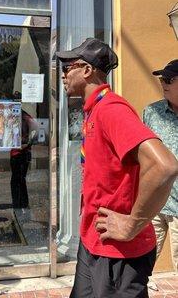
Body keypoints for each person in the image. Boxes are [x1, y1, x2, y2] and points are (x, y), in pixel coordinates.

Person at [56, 38, 178, 298]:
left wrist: (132, 224)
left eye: (67, 67)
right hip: (93, 242)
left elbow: (164, 166)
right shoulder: (94, 109)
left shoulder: (111, 109)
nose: (63, 74)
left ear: (87, 70)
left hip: (118, 253)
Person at [143, 59, 178, 285]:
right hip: (153, 205)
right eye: (161, 79)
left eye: (169, 79)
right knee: (139, 266)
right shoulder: (152, 113)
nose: (162, 83)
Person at [10, 92, 38, 209]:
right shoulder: (10, 116)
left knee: (21, 179)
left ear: (20, 101)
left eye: (18, 100)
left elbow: (37, 128)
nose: (16, 102)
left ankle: (23, 204)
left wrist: (27, 144)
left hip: (23, 152)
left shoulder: (24, 116)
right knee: (15, 179)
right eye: (14, 100)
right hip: (13, 153)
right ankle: (17, 204)